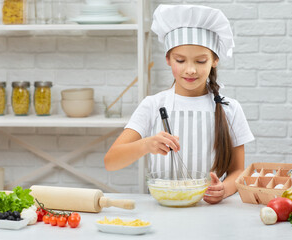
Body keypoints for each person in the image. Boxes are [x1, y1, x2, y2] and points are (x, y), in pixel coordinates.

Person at [104, 4, 254, 204]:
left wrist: (224, 189)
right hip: (164, 209)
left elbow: (237, 170)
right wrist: (146, 144)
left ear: (214, 60)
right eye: (180, 60)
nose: (190, 70)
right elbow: (111, 161)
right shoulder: (153, 105)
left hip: (209, 210)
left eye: (200, 61)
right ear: (168, 59)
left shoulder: (230, 108)